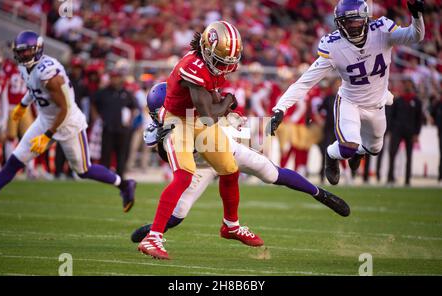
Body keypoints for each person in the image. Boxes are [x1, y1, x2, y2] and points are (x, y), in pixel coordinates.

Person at [130, 82, 350, 243]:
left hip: (221, 150)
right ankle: (152, 231)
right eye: (161, 112)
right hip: (198, 166)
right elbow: (164, 151)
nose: (167, 114)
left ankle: (320, 194)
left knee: (271, 172)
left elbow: (215, 113)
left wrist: (227, 111)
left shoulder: (194, 108)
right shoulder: (160, 132)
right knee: (177, 216)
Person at [138, 21, 262, 260]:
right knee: (184, 175)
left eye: (226, 62)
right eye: (219, 61)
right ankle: (152, 237)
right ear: (206, 49)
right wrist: (228, 102)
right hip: (179, 122)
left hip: (196, 119)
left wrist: (223, 103)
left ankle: (231, 225)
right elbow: (208, 116)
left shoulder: (212, 63)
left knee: (229, 169)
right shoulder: (192, 67)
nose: (223, 67)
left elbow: (211, 103)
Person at [265, 0, 425, 186]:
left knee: (374, 149)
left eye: (357, 20)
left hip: (377, 103)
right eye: (348, 21)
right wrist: (281, 108)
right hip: (350, 102)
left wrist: (416, 16)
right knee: (348, 146)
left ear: (366, 19)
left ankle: (359, 152)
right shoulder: (334, 45)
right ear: (339, 22)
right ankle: (331, 155)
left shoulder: (382, 30)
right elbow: (305, 81)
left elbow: (415, 36)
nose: (353, 25)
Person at [0, 31, 136, 213]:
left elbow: (64, 109)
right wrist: (23, 105)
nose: (22, 55)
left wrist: (46, 136)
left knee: (83, 170)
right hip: (45, 119)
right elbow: (33, 86)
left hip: (68, 123)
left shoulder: (50, 75)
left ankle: (125, 185)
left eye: (26, 51)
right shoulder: (25, 67)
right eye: (20, 52)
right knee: (15, 160)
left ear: (37, 50)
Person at [92, 69, 138, 177]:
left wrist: (130, 121)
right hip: (108, 127)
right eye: (113, 77)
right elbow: (93, 103)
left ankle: (120, 175)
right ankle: (104, 175)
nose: (115, 80)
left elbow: (133, 108)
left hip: (122, 129)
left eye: (117, 77)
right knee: (106, 152)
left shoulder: (126, 93)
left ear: (120, 78)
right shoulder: (103, 92)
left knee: (121, 153)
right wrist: (96, 117)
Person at [387, 79, 423, 186]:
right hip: (397, 131)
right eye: (405, 84)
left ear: (411, 86)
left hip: (410, 132)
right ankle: (390, 178)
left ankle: (407, 180)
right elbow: (391, 116)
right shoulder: (398, 100)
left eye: (408, 84)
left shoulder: (416, 101)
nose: (406, 86)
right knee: (392, 153)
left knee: (409, 155)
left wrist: (417, 133)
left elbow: (419, 119)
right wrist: (390, 130)